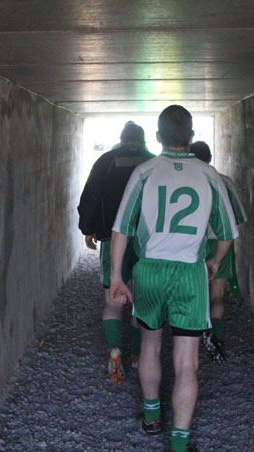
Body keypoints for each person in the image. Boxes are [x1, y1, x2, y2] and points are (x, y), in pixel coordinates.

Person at [109, 106, 239, 452]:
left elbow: (121, 227)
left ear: (157, 137)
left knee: (150, 345)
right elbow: (227, 234)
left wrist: (116, 276)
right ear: (191, 138)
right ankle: (179, 441)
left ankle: (151, 418)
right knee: (187, 360)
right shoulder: (209, 174)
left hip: (150, 269)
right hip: (189, 273)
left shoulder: (144, 172)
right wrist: (213, 262)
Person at [77, 122, 154, 384]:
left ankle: (114, 349)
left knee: (112, 302)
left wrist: (88, 229)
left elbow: (89, 197)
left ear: (121, 140)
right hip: (147, 243)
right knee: (141, 300)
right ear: (143, 142)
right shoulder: (154, 163)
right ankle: (136, 354)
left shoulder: (105, 161)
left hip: (112, 239)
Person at [190, 141, 247, 364]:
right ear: (210, 158)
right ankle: (216, 337)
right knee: (217, 295)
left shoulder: (186, 180)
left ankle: (191, 339)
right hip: (220, 244)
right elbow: (237, 220)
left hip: (194, 244)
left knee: (194, 293)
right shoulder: (224, 181)